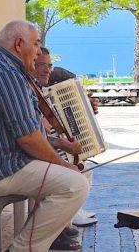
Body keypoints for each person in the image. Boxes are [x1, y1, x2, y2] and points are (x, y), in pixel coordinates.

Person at [0, 20, 89, 252]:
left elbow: (27, 132)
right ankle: (23, 249)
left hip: (4, 163)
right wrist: (62, 164)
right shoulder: (4, 73)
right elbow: (28, 137)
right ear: (19, 44)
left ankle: (48, 238)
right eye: (36, 44)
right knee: (74, 184)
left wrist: (60, 146)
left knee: (81, 174)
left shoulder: (4, 68)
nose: (39, 51)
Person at [33, 47, 98, 229]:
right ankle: (70, 216)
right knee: (78, 170)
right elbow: (41, 128)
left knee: (84, 169)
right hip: (35, 154)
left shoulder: (43, 90)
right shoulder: (32, 91)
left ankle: (75, 210)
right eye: (41, 65)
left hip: (47, 148)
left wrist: (86, 108)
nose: (47, 70)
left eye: (50, 65)